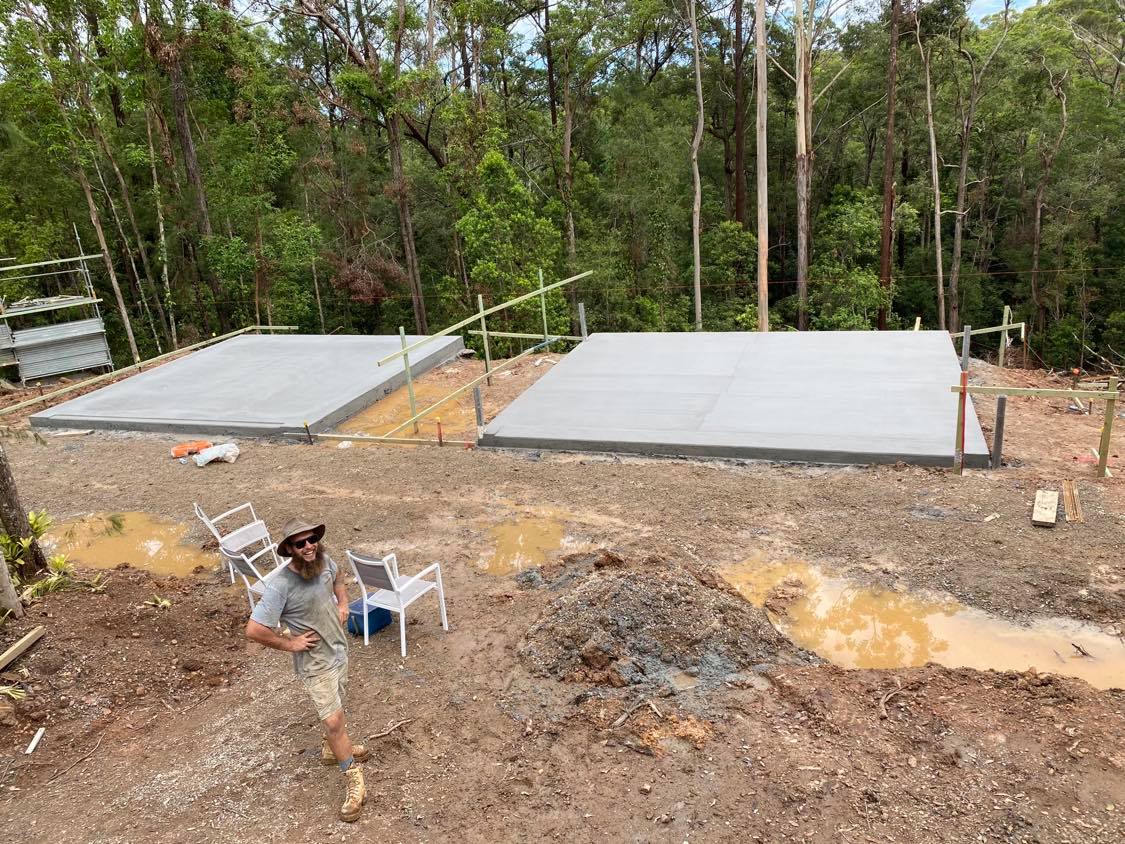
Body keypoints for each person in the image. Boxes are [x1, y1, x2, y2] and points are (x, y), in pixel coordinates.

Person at [244, 517, 368, 822]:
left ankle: (331, 749)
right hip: (315, 663)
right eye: (300, 543)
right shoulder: (281, 586)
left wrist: (343, 603)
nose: (309, 546)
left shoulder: (325, 562)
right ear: (289, 549)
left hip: (339, 651)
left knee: (337, 708)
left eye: (312, 539)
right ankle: (353, 778)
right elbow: (254, 629)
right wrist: (290, 644)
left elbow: (339, 577)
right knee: (335, 720)